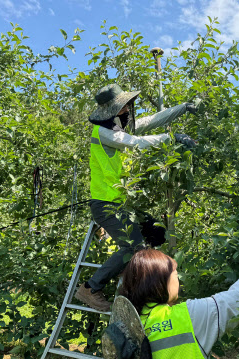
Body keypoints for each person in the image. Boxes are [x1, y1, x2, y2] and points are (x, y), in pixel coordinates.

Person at [76, 84, 197, 312]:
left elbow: (151, 120)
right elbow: (136, 142)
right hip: (106, 203)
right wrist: (173, 138)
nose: (128, 109)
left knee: (157, 232)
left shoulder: (117, 125)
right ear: (115, 108)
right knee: (133, 247)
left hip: (123, 202)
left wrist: (183, 107)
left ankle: (132, 271)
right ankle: (91, 288)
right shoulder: (104, 132)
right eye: (124, 105)